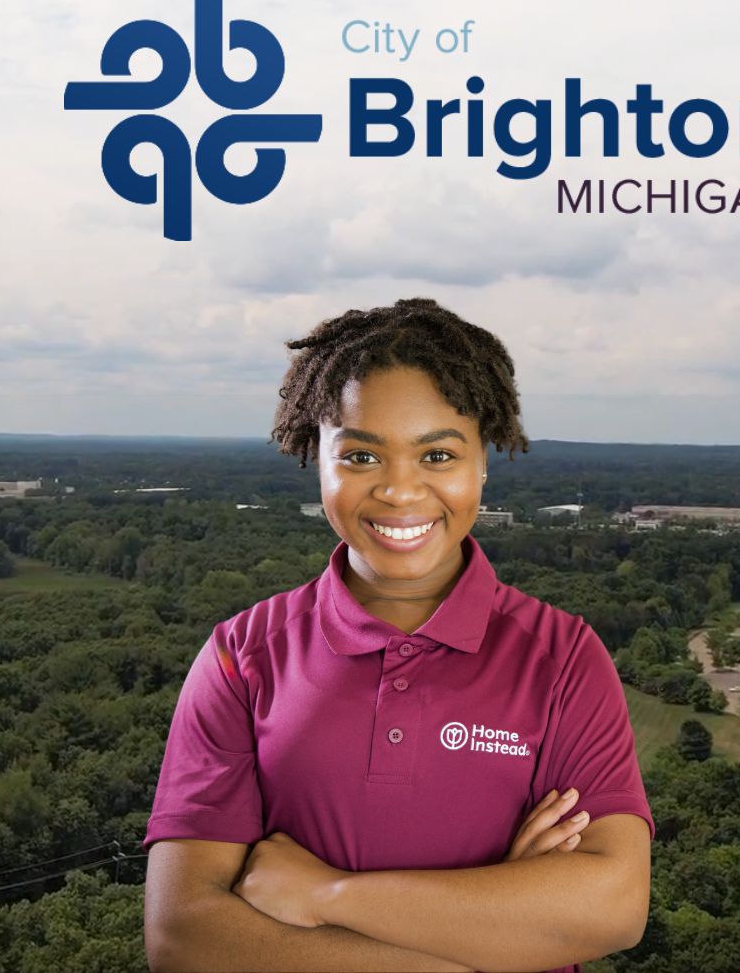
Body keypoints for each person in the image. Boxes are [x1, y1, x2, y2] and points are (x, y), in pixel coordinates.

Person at [142, 299, 653, 973]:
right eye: (360, 456)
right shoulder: (244, 656)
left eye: (437, 454)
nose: (400, 491)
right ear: (314, 459)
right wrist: (501, 932)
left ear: (483, 463)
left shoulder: (561, 658)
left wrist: (326, 894)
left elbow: (612, 907)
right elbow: (185, 939)